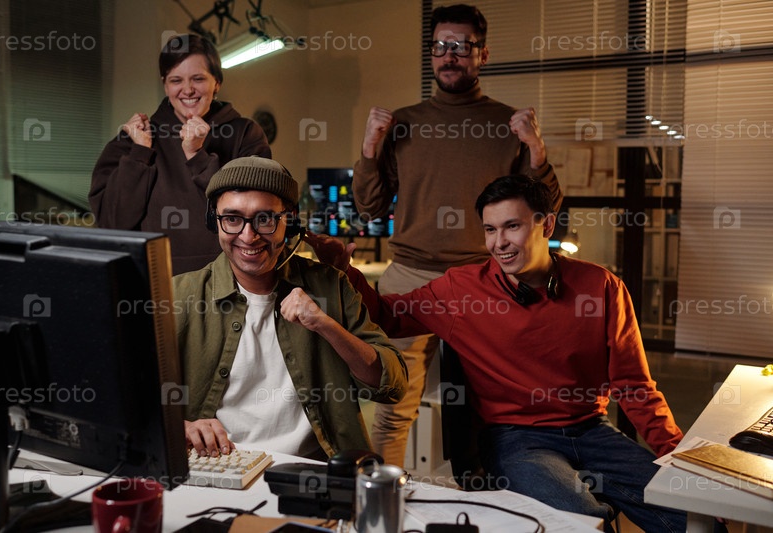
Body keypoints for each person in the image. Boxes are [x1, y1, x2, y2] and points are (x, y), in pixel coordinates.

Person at [306, 175, 686, 532]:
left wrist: (680, 457)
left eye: (512, 226)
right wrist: (343, 271)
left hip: (591, 429)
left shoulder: (602, 286)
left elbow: (634, 386)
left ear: (546, 226)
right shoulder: (461, 289)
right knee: (579, 521)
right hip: (517, 439)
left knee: (691, 508)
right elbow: (386, 316)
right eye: (490, 230)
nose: (499, 242)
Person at [352, 4, 562, 466]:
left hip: (482, 280)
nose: (450, 55)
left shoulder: (508, 124)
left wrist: (536, 150)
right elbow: (368, 207)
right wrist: (369, 147)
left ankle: (488, 498)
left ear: (482, 54)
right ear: (431, 53)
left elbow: (546, 210)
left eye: (462, 47)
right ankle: (382, 496)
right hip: (408, 278)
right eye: (441, 46)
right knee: (391, 408)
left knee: (492, 411)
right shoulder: (402, 122)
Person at [172, 156, 408, 460]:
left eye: (265, 219)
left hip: (312, 470)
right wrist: (181, 427)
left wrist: (325, 324)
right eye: (232, 219)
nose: (248, 236)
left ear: (291, 221)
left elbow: (392, 385)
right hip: (220, 467)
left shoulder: (331, 285)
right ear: (214, 221)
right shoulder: (180, 295)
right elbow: (127, 399)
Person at [90, 34, 271, 275]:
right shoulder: (132, 139)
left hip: (230, 280)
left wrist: (197, 156)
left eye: (198, 79)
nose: (187, 90)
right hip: (154, 283)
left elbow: (255, 214)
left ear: (216, 82)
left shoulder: (245, 134)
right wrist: (140, 155)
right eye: (176, 80)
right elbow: (112, 224)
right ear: (165, 85)